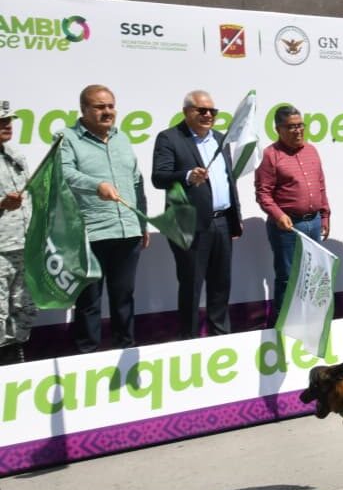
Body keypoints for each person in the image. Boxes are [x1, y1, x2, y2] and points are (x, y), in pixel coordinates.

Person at [61, 85, 148, 353]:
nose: (107, 111)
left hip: (127, 231)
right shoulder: (67, 138)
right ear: (84, 110)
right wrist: (95, 185)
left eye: (110, 106)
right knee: (89, 301)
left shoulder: (122, 138)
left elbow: (136, 182)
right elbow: (64, 173)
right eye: (100, 107)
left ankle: (125, 350)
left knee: (124, 297)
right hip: (91, 233)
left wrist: (141, 224)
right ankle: (86, 356)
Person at [152, 90, 243, 340]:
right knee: (192, 287)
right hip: (189, 225)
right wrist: (186, 176)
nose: (207, 115)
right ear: (186, 112)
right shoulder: (170, 138)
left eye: (212, 111)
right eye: (201, 110)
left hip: (222, 221)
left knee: (220, 286)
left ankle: (221, 338)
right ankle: (189, 341)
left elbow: (228, 181)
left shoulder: (219, 138)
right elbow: (159, 177)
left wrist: (236, 217)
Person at [254, 105, 330, 321]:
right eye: (291, 127)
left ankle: (310, 322)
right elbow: (263, 193)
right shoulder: (270, 155)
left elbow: (321, 185)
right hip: (287, 228)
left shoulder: (312, 150)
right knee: (288, 277)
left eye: (300, 126)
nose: (298, 131)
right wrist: (278, 215)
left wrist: (324, 215)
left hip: (313, 222)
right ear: (278, 129)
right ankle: (284, 323)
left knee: (313, 275)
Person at [0, 102, 35, 364]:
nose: (7, 125)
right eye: (1, 121)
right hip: (0, 248)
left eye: (8, 120)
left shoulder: (15, 155)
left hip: (24, 244)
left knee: (23, 305)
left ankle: (16, 351)